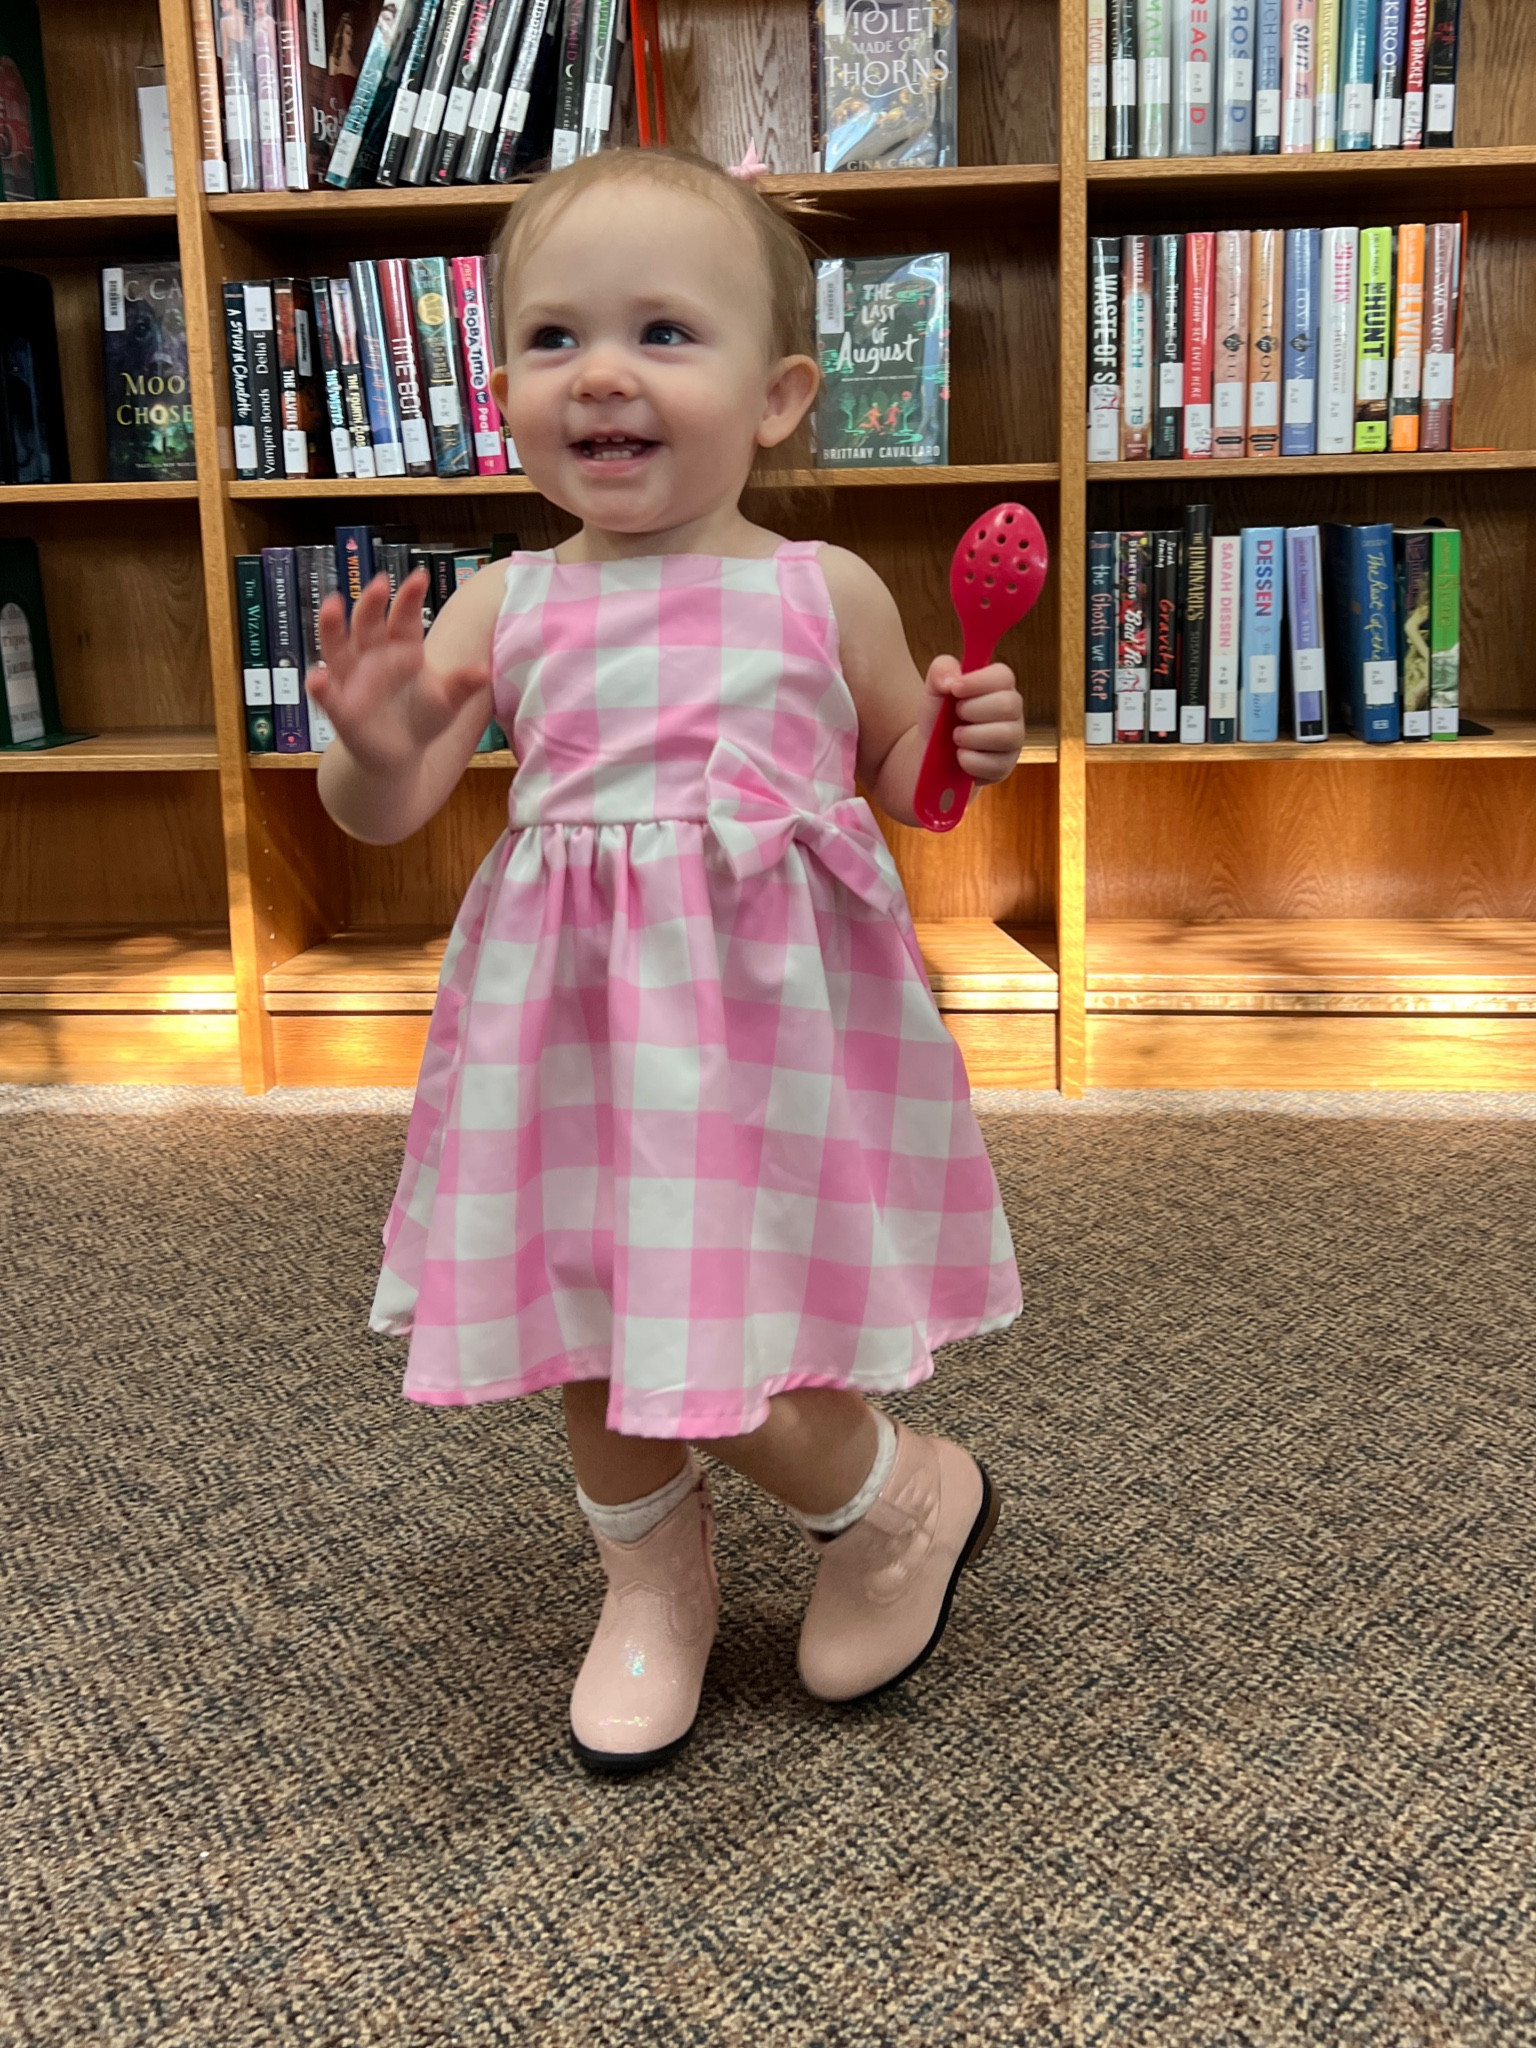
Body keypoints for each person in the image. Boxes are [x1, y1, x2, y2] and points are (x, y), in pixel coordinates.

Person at [309, 147, 1026, 1775]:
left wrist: (971, 736)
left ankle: (901, 1500)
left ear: (777, 396)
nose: (605, 375)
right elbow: (390, 806)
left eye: (662, 335)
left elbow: (910, 783)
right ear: (502, 393)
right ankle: (654, 1586)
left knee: (746, 1334)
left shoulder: (812, 588)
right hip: (574, 1031)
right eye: (555, 340)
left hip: (773, 1034)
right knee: (592, 1324)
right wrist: (365, 743)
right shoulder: (508, 599)